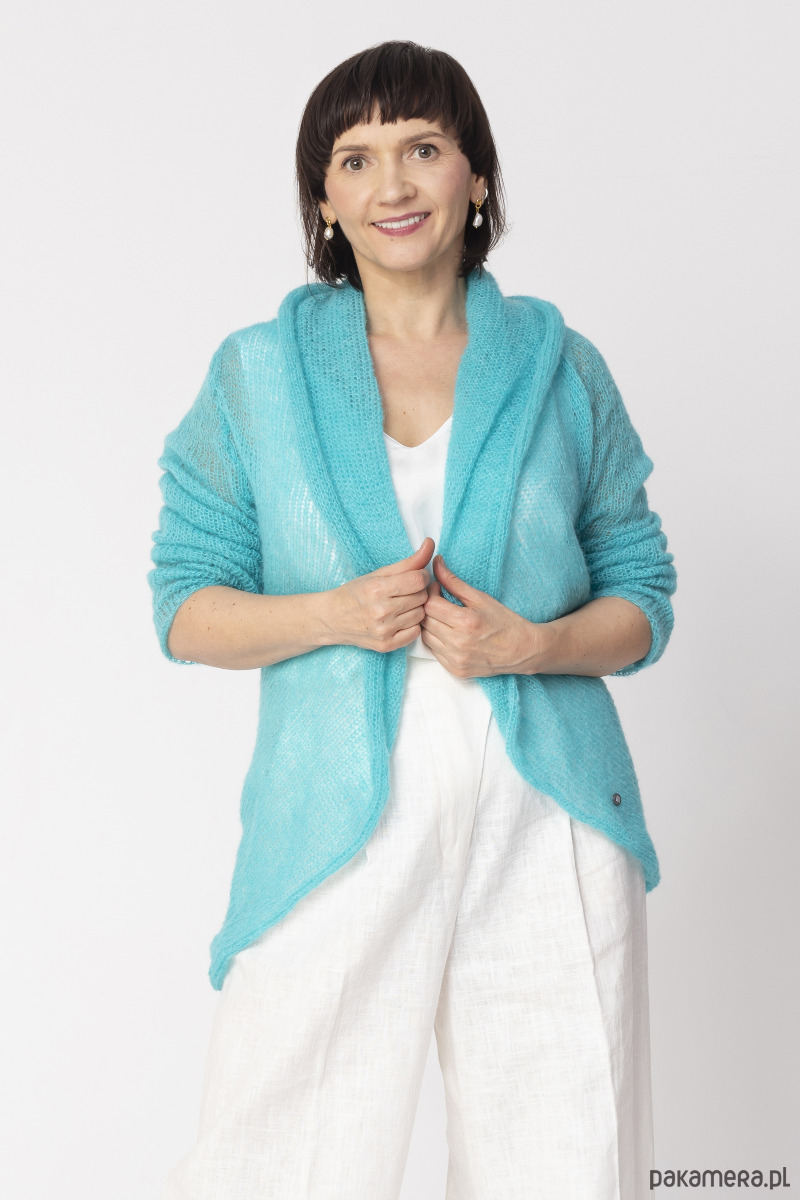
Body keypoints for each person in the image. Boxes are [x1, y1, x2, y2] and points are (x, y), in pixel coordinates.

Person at [149, 39, 677, 1200]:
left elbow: (640, 593)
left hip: (546, 811)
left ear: (474, 177)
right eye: (355, 158)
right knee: (279, 1160)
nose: (391, 184)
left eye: (422, 149)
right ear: (323, 201)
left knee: (565, 1161)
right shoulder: (258, 376)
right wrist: (332, 614)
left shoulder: (559, 368)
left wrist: (532, 645)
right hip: (336, 816)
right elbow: (185, 605)